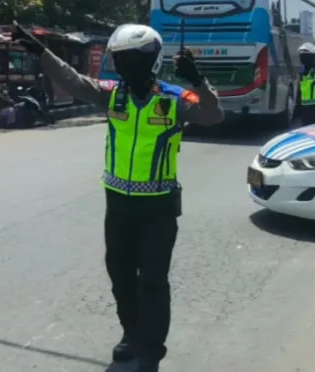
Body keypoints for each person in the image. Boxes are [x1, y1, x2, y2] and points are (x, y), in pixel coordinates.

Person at [11, 21, 224, 372]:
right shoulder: (112, 94)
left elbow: (213, 116)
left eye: (134, 60)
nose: (127, 66)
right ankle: (131, 334)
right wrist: (41, 52)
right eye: (121, 60)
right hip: (118, 205)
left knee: (153, 281)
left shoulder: (174, 99)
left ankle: (152, 347)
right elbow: (72, 81)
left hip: (158, 207)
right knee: (120, 274)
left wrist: (198, 81)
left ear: (152, 60)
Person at [294, 42, 315, 125]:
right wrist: (297, 109)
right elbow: (300, 91)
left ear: (313, 57)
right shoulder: (302, 72)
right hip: (304, 111)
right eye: (302, 57)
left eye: (306, 57)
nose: (303, 59)